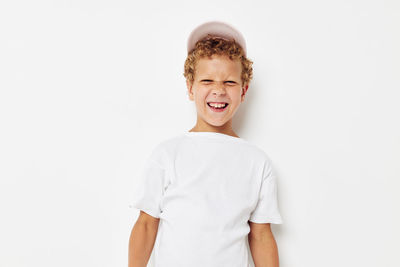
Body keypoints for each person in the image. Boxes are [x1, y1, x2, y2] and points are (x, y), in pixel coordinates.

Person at [128, 20, 283, 267]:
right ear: (190, 88)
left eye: (229, 82)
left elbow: (262, 235)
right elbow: (146, 224)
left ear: (243, 91)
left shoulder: (257, 162)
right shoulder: (167, 155)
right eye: (207, 81)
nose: (219, 90)